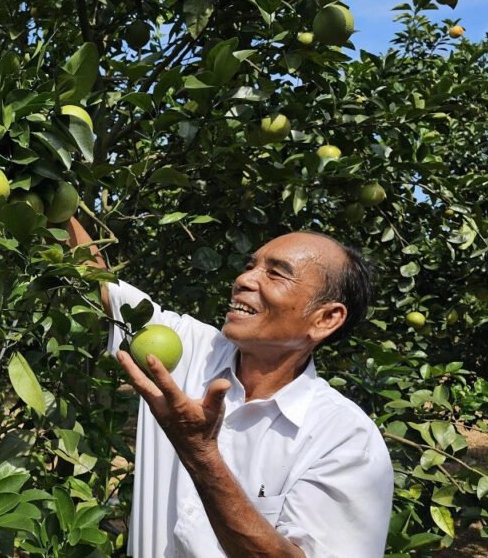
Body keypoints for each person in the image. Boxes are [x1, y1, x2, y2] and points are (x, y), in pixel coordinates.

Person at [66, 218, 394, 557]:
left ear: (325, 319)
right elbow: (97, 281)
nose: (243, 279)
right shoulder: (189, 349)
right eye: (251, 265)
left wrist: (200, 453)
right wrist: (54, 195)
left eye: (276, 273)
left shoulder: (344, 438)